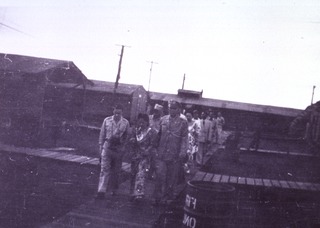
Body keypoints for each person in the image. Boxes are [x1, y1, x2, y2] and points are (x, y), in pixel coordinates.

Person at [153, 100, 188, 205]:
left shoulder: (183, 122)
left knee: (171, 178)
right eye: (170, 108)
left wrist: (183, 152)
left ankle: (166, 198)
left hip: (174, 154)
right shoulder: (163, 120)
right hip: (162, 153)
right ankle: (157, 198)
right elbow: (158, 135)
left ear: (178, 110)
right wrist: (154, 148)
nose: (171, 110)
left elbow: (184, 138)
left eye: (173, 108)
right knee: (159, 175)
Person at [95, 104, 130, 199]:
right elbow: (102, 134)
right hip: (107, 147)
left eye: (119, 113)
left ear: (122, 112)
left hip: (118, 149)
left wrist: (123, 148)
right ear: (113, 111)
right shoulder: (107, 120)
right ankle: (101, 191)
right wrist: (100, 147)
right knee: (104, 169)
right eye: (115, 112)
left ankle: (114, 190)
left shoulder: (125, 123)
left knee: (116, 171)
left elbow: (127, 137)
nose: (117, 115)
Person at [129, 113, 158, 201]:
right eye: (140, 122)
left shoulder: (152, 132)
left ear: (147, 122)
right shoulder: (136, 130)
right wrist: (132, 141)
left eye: (143, 123)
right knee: (133, 173)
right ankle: (132, 192)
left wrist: (147, 151)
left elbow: (153, 144)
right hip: (135, 155)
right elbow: (131, 141)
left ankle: (139, 193)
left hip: (145, 156)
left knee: (141, 174)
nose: (141, 124)